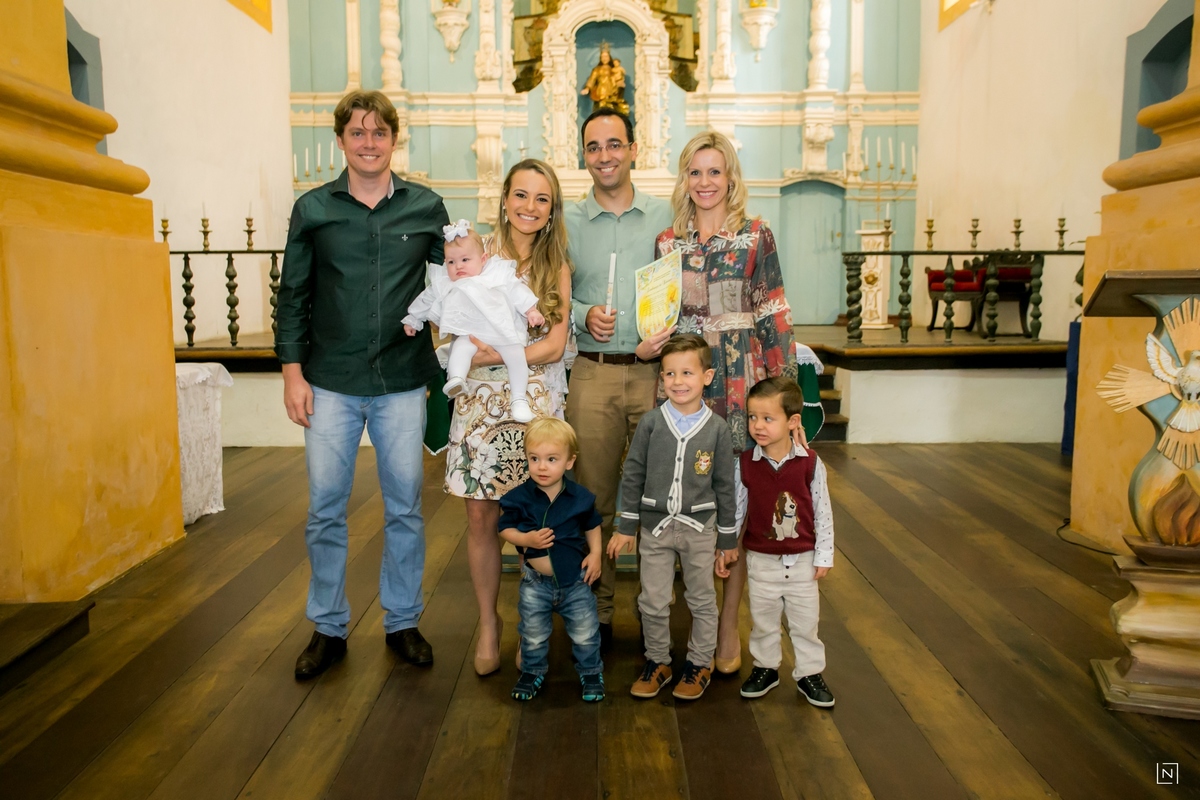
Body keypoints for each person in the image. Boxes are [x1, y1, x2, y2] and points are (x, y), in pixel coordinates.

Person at [276, 90, 448, 679]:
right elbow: (293, 295)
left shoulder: (426, 207)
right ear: (340, 140)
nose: (368, 143)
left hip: (402, 380)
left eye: (379, 132)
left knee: (405, 507)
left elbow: (457, 283)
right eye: (357, 132)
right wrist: (292, 374)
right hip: (330, 381)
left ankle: (402, 621)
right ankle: (328, 626)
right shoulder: (313, 209)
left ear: (394, 139)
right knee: (326, 509)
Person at [655, 130, 798, 675]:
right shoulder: (668, 244)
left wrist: (787, 403)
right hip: (686, 388)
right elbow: (659, 320)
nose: (705, 182)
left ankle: (727, 623)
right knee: (685, 502)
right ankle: (694, 619)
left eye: (715, 171)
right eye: (695, 171)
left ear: (731, 177)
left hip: (740, 385)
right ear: (684, 179)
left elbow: (774, 314)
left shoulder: (755, 236)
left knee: (732, 510)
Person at [444, 159, 573, 677]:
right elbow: (446, 317)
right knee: (480, 517)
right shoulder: (474, 254)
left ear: (551, 209)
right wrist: (462, 353)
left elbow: (555, 345)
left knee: (529, 517)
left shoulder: (555, 265)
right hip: (477, 398)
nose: (529, 207)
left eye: (542, 199)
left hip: (530, 401)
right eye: (521, 195)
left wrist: (494, 354)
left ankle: (528, 624)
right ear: (504, 199)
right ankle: (487, 623)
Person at [564, 108, 673, 649]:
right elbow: (546, 292)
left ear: (633, 149)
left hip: (656, 373)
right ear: (583, 155)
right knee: (594, 499)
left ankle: (659, 615)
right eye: (593, 147)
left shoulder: (664, 215)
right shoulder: (566, 220)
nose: (604, 156)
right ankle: (598, 613)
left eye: (614, 144)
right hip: (594, 373)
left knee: (661, 499)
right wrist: (582, 313)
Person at [608, 335, 739, 701]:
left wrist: (727, 539)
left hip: (700, 529)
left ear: (707, 377)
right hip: (655, 527)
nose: (678, 381)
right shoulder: (651, 423)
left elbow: (724, 486)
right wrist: (626, 527)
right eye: (669, 373)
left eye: (687, 373)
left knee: (702, 599)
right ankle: (658, 661)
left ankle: (699, 663)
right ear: (661, 378)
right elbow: (633, 474)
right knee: (652, 599)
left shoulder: (717, 429)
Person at [732, 377, 835, 708]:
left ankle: (809, 673)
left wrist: (824, 555)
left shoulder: (810, 463)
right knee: (763, 620)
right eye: (752, 417)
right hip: (761, 560)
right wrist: (727, 546)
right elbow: (737, 510)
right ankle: (766, 667)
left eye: (767, 418)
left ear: (792, 422)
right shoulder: (745, 465)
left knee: (805, 623)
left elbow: (822, 511)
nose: (758, 426)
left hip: (802, 560)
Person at [499, 418, 605, 702]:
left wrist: (596, 554)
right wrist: (526, 540)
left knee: (585, 631)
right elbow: (505, 528)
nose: (541, 467)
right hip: (536, 584)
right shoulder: (519, 497)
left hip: (575, 581)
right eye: (534, 458)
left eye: (551, 459)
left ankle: (591, 672)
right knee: (533, 632)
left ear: (569, 462)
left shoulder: (580, 497)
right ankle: (531, 672)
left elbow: (593, 525)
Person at [402, 220, 545, 423]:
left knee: (517, 357)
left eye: (465, 259)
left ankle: (519, 399)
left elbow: (517, 291)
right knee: (460, 348)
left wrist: (531, 310)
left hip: (502, 331)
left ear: (483, 259)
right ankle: (456, 379)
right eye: (451, 262)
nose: (458, 266)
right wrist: (413, 318)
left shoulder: (496, 273)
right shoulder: (446, 282)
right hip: (470, 333)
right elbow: (426, 299)